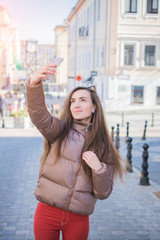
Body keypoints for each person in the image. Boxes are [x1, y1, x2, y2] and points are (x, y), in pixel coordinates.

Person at [26, 64, 124, 240]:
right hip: (47, 213)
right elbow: (38, 114)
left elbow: (103, 193)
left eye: (83, 100)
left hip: (78, 218)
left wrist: (98, 168)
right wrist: (34, 84)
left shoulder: (104, 146)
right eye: (73, 101)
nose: (76, 104)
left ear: (94, 107)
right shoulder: (59, 130)